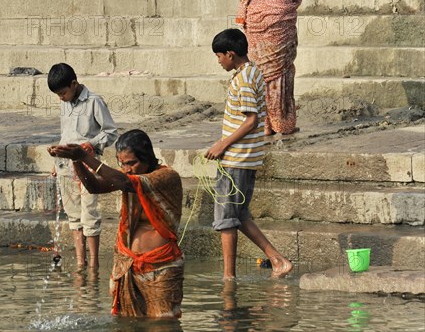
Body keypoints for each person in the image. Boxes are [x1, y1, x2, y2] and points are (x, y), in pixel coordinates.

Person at [49, 129, 184, 317]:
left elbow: (125, 181)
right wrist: (76, 160)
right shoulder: (127, 176)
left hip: (160, 267)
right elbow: (93, 186)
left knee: (162, 324)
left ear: (147, 157)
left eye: (132, 163)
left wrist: (85, 156)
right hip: (126, 263)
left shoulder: (166, 177)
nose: (127, 168)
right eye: (123, 164)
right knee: (125, 323)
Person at [205, 29, 293, 280]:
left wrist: (222, 144)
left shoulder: (244, 79)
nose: (219, 61)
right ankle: (278, 260)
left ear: (230, 54)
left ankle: (228, 278)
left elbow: (251, 120)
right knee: (239, 214)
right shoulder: (252, 71)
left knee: (226, 219)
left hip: (237, 159)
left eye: (219, 56)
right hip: (245, 157)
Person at [235, 0, 319, 135]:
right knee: (280, 70)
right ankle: (282, 123)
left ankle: (263, 124)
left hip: (254, 14)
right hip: (278, 13)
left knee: (260, 69)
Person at [47, 63, 117, 270]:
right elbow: (65, 135)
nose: (61, 97)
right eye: (58, 95)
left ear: (74, 84)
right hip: (65, 166)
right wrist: (55, 160)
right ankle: (80, 262)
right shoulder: (64, 104)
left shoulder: (94, 102)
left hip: (87, 166)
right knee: (74, 216)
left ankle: (94, 262)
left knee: (90, 214)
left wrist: (92, 144)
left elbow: (111, 132)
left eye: (63, 93)